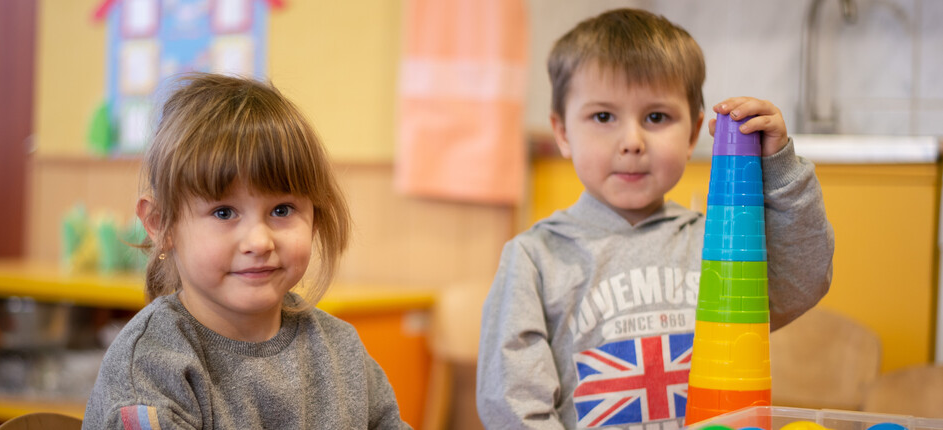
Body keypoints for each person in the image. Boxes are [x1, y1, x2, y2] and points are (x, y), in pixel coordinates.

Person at [476, 8, 834, 429]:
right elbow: (511, 401)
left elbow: (805, 276)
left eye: (656, 117)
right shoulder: (535, 259)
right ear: (562, 132)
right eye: (604, 117)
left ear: (693, 133)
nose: (632, 142)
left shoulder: (715, 244)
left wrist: (778, 166)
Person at [83, 73, 411, 429]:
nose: (259, 242)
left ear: (316, 215)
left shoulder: (341, 350)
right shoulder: (151, 365)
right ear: (162, 224)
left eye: (282, 210)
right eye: (224, 212)